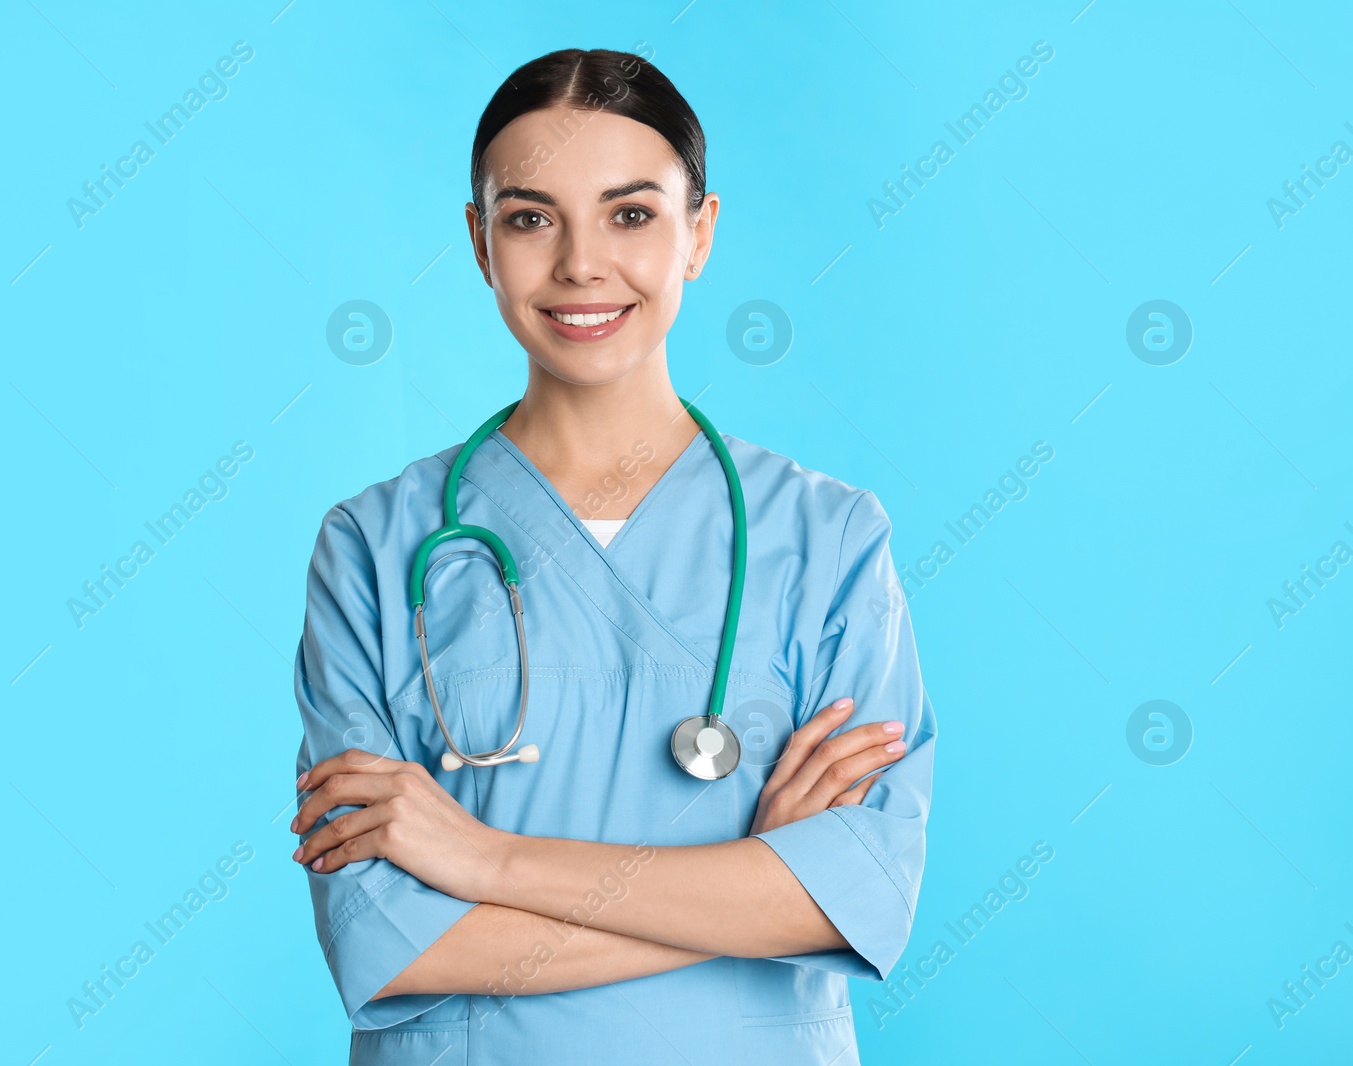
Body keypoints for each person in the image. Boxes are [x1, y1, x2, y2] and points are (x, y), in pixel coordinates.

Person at [292, 46, 937, 1066]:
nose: (581, 264)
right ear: (479, 240)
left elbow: (853, 894)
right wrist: (740, 887)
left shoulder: (829, 539)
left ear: (699, 233)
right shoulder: (372, 545)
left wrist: (481, 856)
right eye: (530, 216)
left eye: (630, 213)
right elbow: (388, 944)